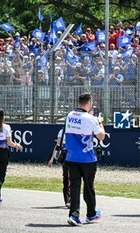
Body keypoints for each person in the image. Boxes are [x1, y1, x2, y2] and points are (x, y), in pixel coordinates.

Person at [64, 93, 105, 226]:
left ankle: (74, 214)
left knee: (74, 187)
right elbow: (101, 137)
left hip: (71, 158)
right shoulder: (91, 118)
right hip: (87, 159)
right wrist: (100, 122)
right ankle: (91, 214)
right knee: (89, 187)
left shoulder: (69, 115)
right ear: (89, 103)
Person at [48, 128, 70, 208]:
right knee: (66, 178)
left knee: (73, 177)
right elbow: (57, 146)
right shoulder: (62, 131)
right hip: (65, 156)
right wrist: (52, 158)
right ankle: (67, 200)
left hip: (74, 155)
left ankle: (72, 199)